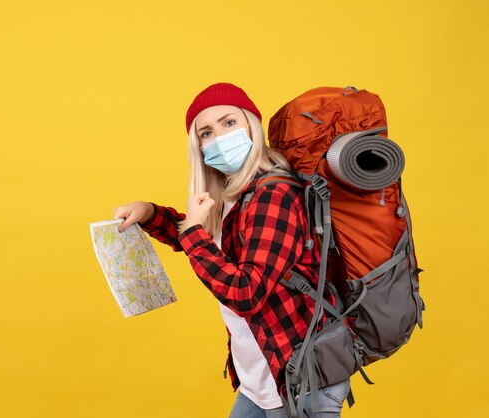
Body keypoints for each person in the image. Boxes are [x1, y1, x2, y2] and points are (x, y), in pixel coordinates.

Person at [113, 83, 350, 418]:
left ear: (251, 125)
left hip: (299, 379)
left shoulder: (274, 195)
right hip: (261, 379)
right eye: (206, 132)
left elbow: (245, 292)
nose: (219, 137)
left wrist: (194, 231)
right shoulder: (235, 194)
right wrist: (152, 214)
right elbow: (213, 245)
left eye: (228, 123)